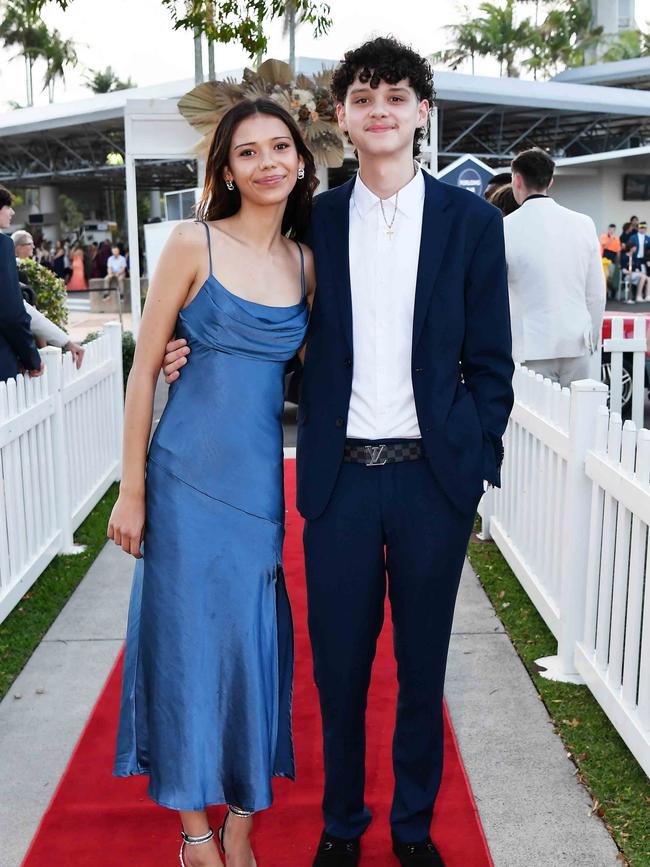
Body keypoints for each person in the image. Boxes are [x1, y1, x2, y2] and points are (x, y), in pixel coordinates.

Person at [163, 37, 514, 867]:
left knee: (422, 672)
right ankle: (343, 824)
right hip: (341, 483)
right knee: (342, 675)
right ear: (345, 117)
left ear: (422, 112)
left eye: (397, 95)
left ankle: (415, 828)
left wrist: (471, 461)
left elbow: (493, 364)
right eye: (364, 97)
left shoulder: (471, 223)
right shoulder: (313, 219)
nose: (380, 109)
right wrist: (191, 349)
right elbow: (257, 309)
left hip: (433, 481)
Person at [108, 98, 316, 867]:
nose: (267, 162)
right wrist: (132, 491)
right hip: (184, 479)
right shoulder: (191, 243)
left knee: (248, 645)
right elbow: (143, 371)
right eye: (249, 152)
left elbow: (324, 371)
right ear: (225, 169)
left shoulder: (306, 261)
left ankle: (240, 815)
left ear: (300, 160)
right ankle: (195, 830)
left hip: (258, 490)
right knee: (187, 644)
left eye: (280, 147)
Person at [505, 147, 605, 387]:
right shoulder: (584, 224)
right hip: (576, 342)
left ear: (517, 180)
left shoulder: (504, 227)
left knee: (534, 422)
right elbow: (596, 292)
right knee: (578, 419)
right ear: (550, 180)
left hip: (529, 347)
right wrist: (592, 335)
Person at [12, 230, 85, 367]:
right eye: (29, 244)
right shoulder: (17, 270)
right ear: (18, 247)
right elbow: (19, 312)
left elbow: (26, 310)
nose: (33, 247)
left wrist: (65, 342)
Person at [0, 185, 43, 382]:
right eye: (7, 206)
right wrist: (31, 357)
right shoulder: (3, 244)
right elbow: (11, 313)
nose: (12, 212)